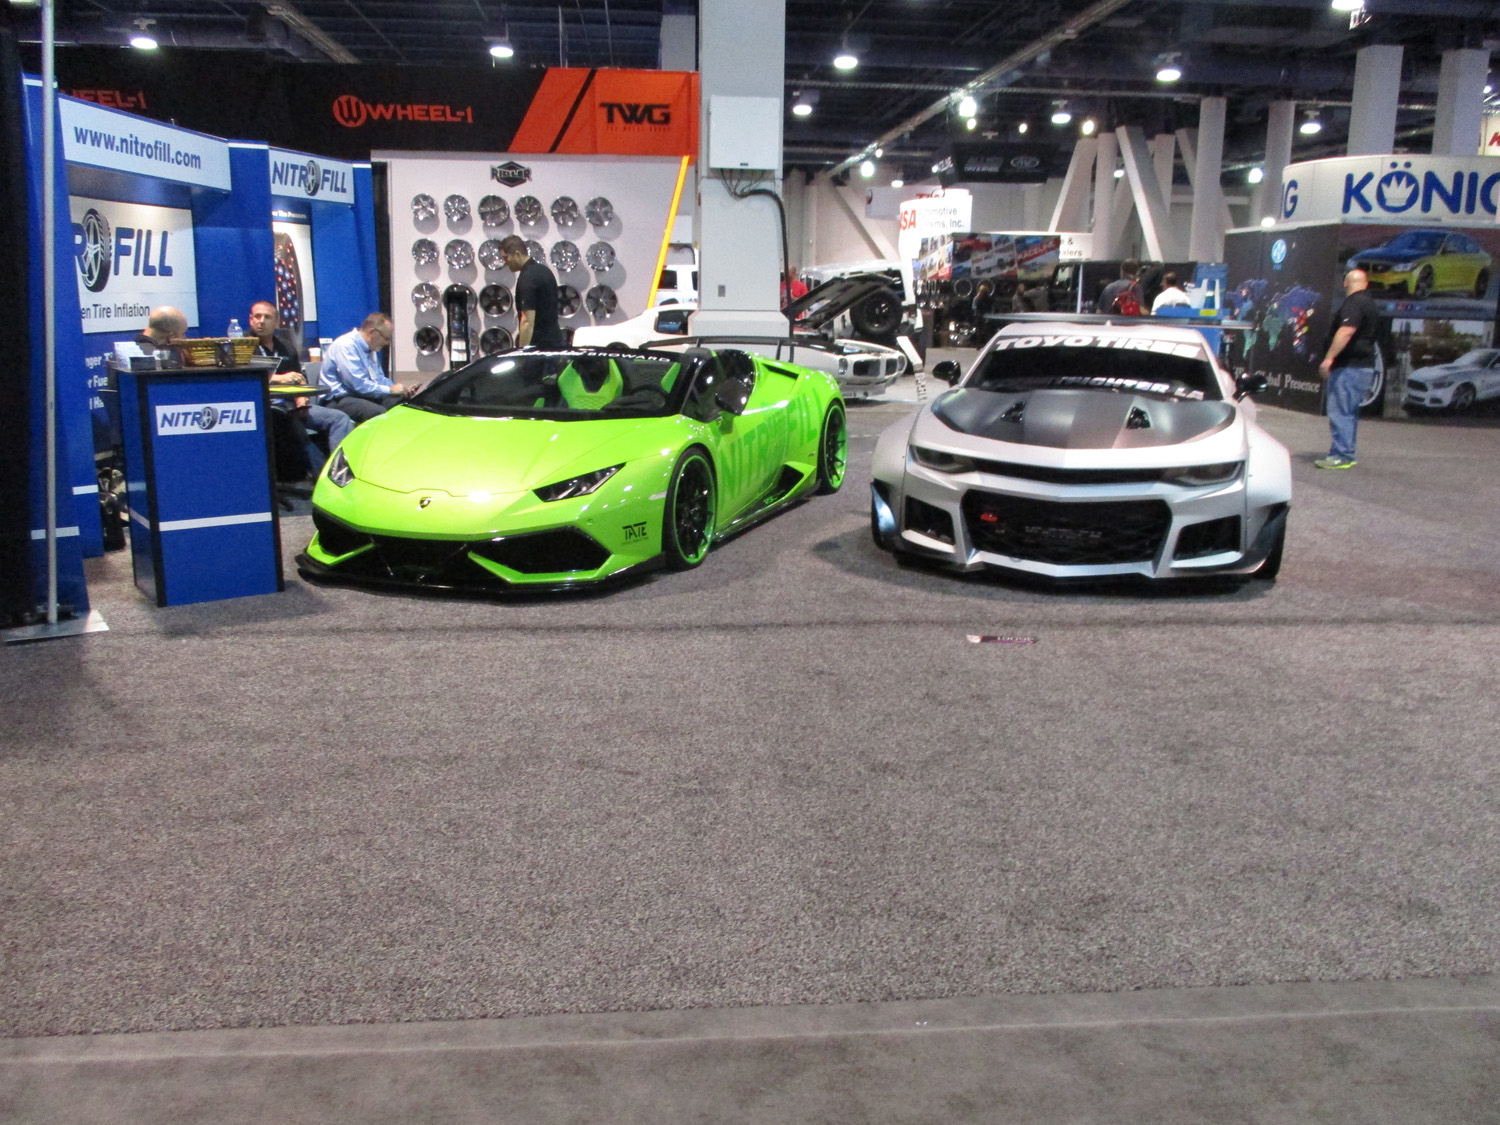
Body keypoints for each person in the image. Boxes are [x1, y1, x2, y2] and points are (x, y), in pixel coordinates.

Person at [246, 301, 351, 478]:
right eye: (257, 316)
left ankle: (339, 469)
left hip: (292, 405)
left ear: (277, 322)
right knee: (294, 426)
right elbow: (248, 378)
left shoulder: (285, 346)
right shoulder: (244, 346)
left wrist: (301, 399)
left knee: (340, 418)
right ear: (250, 319)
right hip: (266, 408)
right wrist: (280, 378)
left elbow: (300, 378)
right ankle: (325, 477)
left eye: (267, 317)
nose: (261, 321)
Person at [1315, 269, 1380, 470]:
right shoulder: (1370, 303)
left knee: (1340, 411)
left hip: (1349, 367)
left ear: (1345, 283)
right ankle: (1346, 452)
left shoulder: (1354, 303)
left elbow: (1346, 331)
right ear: (1366, 283)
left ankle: (1341, 455)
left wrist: (1329, 359)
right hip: (1364, 366)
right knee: (1349, 412)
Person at [318, 313, 412, 423]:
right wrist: (390, 390)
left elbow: (378, 379)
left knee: (402, 404)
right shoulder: (346, 346)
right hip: (337, 399)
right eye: (386, 338)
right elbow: (358, 385)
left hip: (360, 396)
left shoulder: (371, 349)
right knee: (378, 413)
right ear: (372, 332)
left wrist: (399, 390)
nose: (387, 343)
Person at [499, 235, 564, 348]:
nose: (505, 262)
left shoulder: (527, 278)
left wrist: (522, 352)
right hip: (556, 342)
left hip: (539, 347)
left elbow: (527, 322)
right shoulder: (545, 271)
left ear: (517, 254)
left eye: (506, 257)